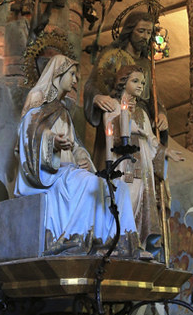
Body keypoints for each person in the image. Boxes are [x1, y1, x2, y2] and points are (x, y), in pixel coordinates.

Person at [15, 54, 139, 258]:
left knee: (117, 187)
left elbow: (76, 146)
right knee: (89, 184)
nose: (75, 80)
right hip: (47, 174)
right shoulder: (37, 97)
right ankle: (75, 238)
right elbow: (27, 134)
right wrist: (52, 141)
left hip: (69, 172)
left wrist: (83, 158)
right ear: (58, 73)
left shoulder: (63, 110)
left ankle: (119, 243)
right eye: (72, 74)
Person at [104, 65, 183, 259]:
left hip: (144, 162)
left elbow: (152, 140)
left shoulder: (142, 112)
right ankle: (121, 242)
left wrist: (165, 152)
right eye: (135, 81)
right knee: (126, 199)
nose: (140, 86)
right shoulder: (113, 106)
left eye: (143, 83)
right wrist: (126, 117)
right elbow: (110, 133)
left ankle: (139, 244)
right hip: (124, 161)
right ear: (123, 82)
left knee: (144, 200)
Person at [83, 9, 168, 166]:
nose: (145, 36)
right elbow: (92, 83)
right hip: (115, 114)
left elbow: (153, 96)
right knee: (114, 165)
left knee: (140, 167)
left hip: (140, 119)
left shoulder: (146, 64)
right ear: (129, 30)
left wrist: (161, 113)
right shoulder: (111, 54)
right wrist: (97, 97)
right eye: (141, 31)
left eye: (149, 32)